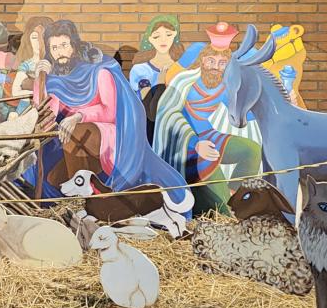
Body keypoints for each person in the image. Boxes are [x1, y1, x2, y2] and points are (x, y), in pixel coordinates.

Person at [24, 20, 190, 211]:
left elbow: (109, 111)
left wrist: (78, 116)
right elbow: (46, 114)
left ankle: (84, 202)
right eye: (54, 48)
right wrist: (41, 80)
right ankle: (75, 203)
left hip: (108, 136)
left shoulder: (99, 72)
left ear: (74, 45)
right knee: (54, 178)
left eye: (64, 45)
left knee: (77, 132)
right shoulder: (54, 80)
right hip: (70, 139)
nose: (60, 52)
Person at [153, 22, 263, 214]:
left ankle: (235, 196)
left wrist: (282, 102)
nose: (215, 67)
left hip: (209, 136)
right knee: (222, 202)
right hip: (186, 143)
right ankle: (225, 207)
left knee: (251, 150)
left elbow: (242, 114)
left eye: (222, 63)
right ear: (202, 61)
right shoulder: (184, 81)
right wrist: (195, 144)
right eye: (211, 61)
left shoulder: (224, 87)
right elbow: (170, 115)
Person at [128, 15, 187, 98]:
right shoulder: (140, 70)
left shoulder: (181, 68)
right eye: (156, 36)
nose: (163, 40)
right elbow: (146, 102)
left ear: (174, 36)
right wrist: (160, 84)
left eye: (168, 35)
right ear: (150, 39)